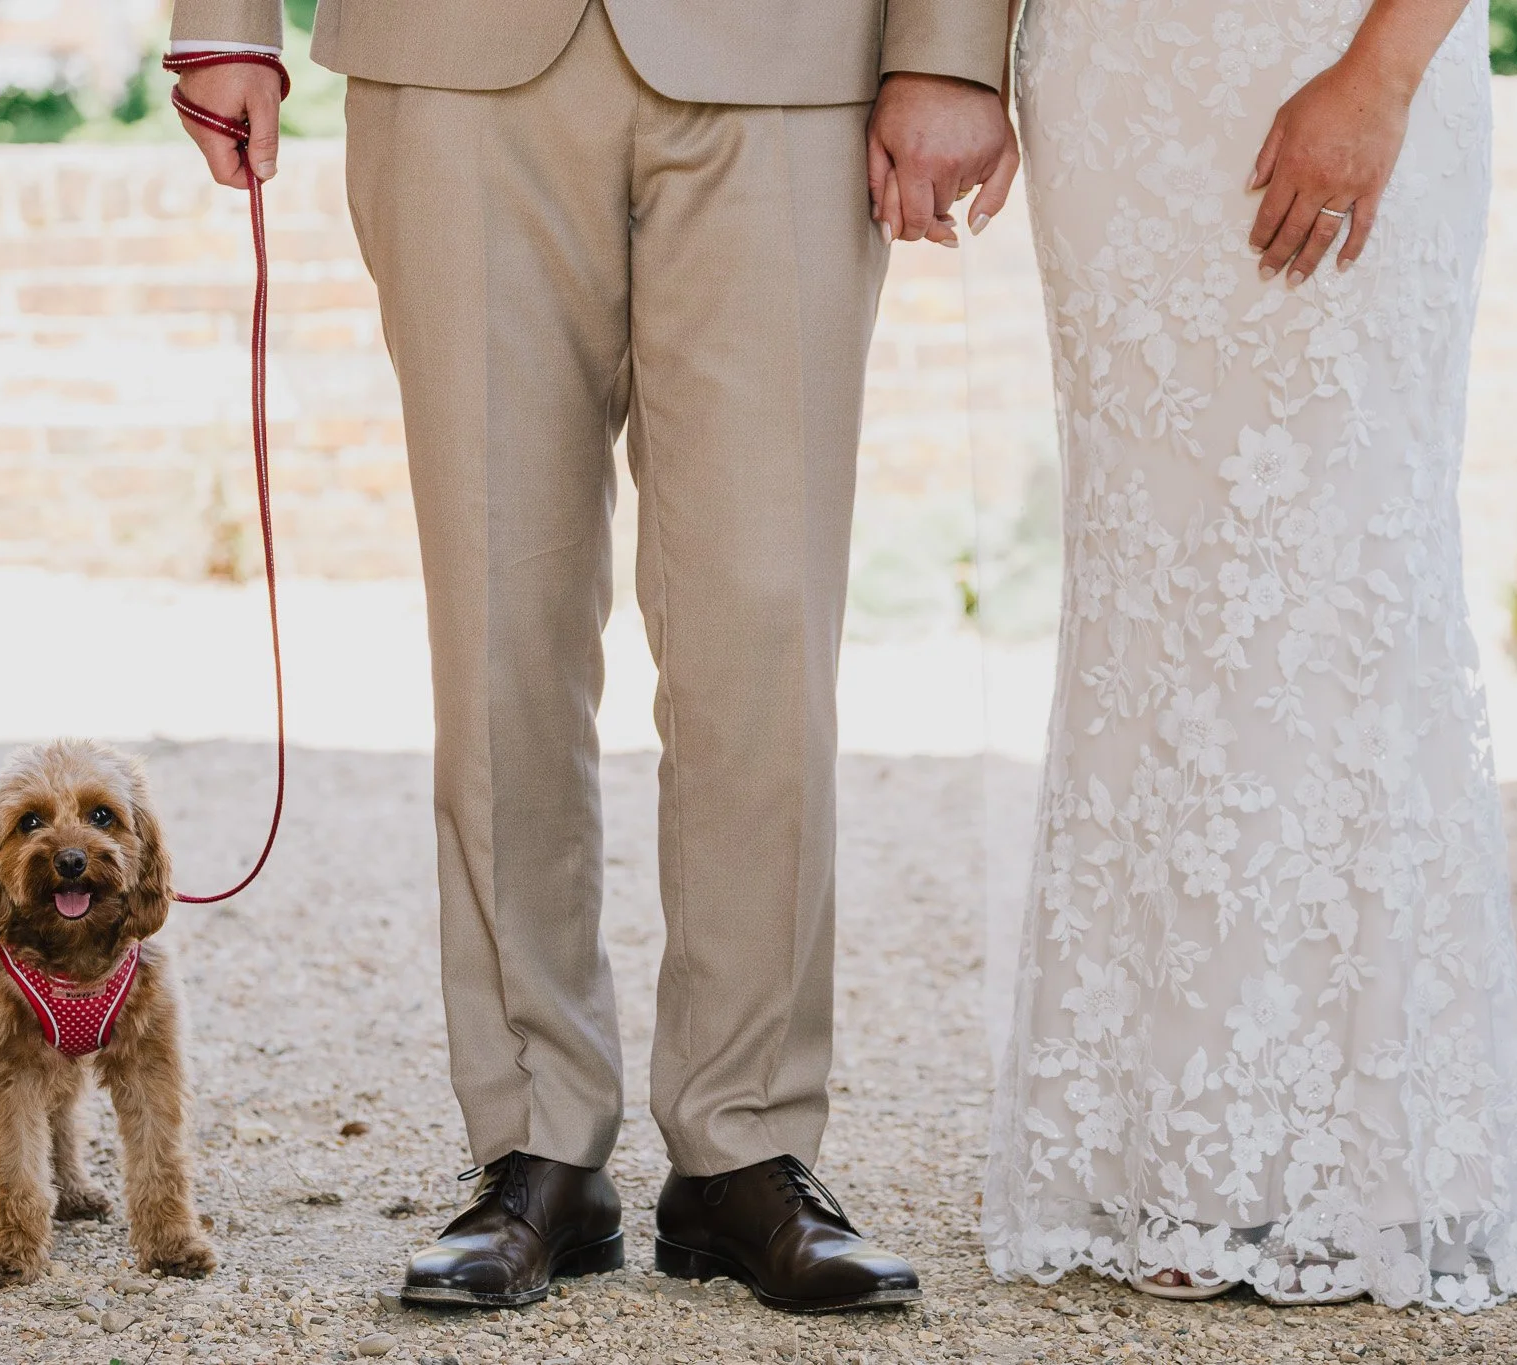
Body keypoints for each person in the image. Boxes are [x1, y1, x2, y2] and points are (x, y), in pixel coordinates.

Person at [167, 0, 1014, 1313]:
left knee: (764, 633)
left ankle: (746, 1140)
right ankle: (535, 1141)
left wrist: (951, 44)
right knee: (499, 628)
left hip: (791, 60)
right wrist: (223, 21)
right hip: (451, 57)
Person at [981, 0, 1517, 1310]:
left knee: (1343, 570)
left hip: (1337, 42)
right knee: (1154, 588)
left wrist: (1382, 72)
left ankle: (1390, 1148)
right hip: (1114, 86)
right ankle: (1182, 1147)